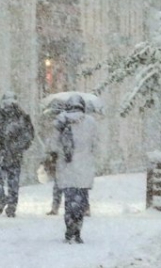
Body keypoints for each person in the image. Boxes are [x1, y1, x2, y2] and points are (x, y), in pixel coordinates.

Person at [49, 94, 97, 244]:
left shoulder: (60, 120)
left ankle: (69, 227)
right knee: (81, 199)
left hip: (66, 166)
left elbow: (52, 145)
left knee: (69, 200)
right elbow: (96, 144)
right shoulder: (90, 122)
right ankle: (78, 230)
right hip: (84, 166)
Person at [0, 91, 34, 217]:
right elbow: (29, 135)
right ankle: (11, 205)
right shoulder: (21, 115)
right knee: (13, 180)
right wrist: (21, 146)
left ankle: (2, 199)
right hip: (14, 153)